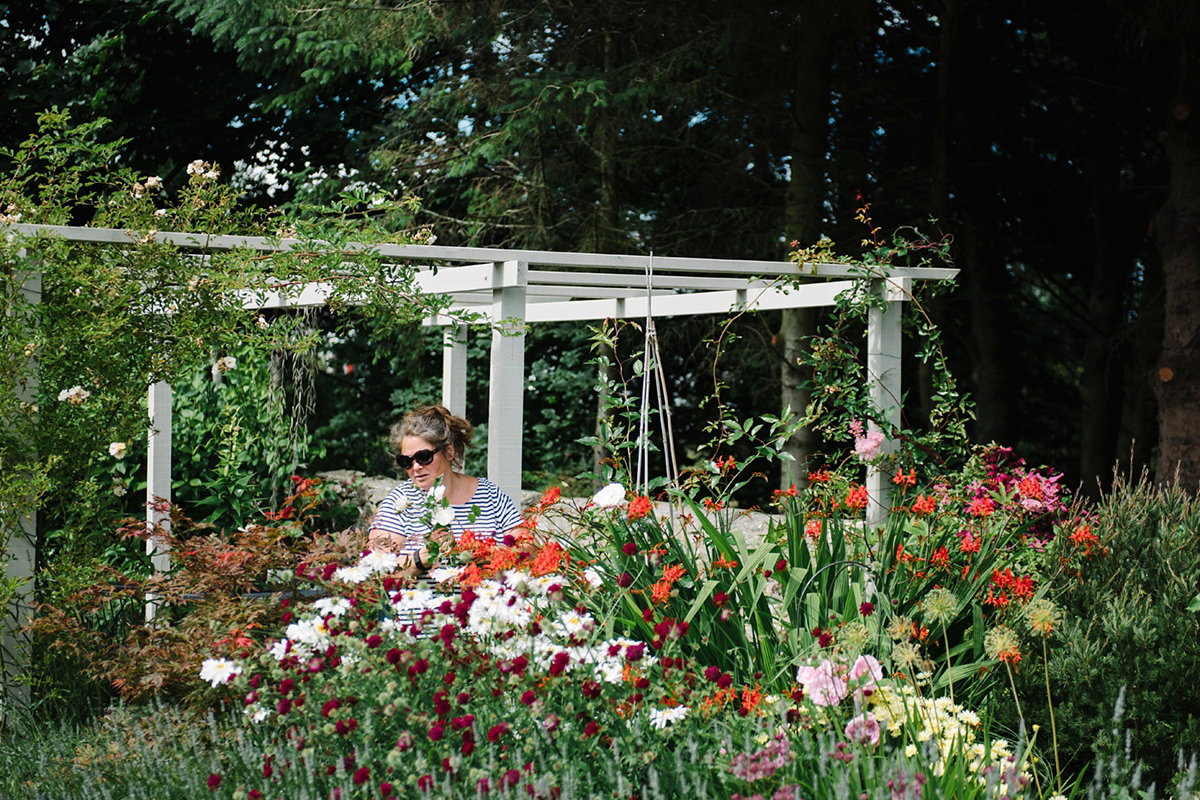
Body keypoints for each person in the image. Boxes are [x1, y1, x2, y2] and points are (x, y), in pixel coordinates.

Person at [368, 405, 522, 576]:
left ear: (449, 451)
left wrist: (479, 552)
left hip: (489, 600)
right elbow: (377, 571)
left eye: (424, 457)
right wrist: (422, 558)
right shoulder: (400, 502)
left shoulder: (490, 495)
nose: (416, 467)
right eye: (406, 460)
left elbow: (528, 548)